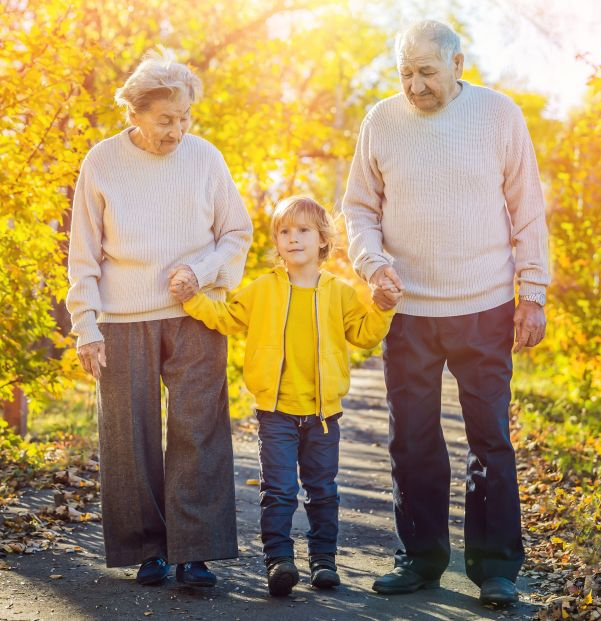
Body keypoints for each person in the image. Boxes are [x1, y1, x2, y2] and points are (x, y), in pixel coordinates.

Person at [342, 20, 549, 605]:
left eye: (426, 72)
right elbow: (358, 209)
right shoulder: (381, 121)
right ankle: (420, 559)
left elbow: (527, 210)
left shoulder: (499, 115)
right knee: (412, 439)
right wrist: (372, 263)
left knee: (490, 439)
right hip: (408, 311)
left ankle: (497, 568)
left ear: (459, 66)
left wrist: (531, 292)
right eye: (405, 72)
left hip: (484, 305)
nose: (414, 85)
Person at [66, 48, 253, 587]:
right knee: (128, 437)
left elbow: (236, 232)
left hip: (195, 312)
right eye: (165, 119)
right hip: (122, 318)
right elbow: (84, 253)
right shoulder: (101, 161)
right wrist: (86, 324)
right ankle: (148, 549)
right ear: (135, 113)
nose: (176, 130)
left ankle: (194, 551)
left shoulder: (204, 157)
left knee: (199, 429)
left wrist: (203, 269)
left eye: (184, 118)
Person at [169, 196, 400, 597]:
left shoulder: (339, 293)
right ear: (277, 241)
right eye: (284, 231)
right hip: (275, 413)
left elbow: (364, 335)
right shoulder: (262, 290)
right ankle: (279, 560)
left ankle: (324, 561)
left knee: (323, 490)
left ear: (323, 239)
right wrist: (192, 298)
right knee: (277, 491)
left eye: (303, 230)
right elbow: (226, 318)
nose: (293, 239)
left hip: (324, 415)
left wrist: (382, 308)